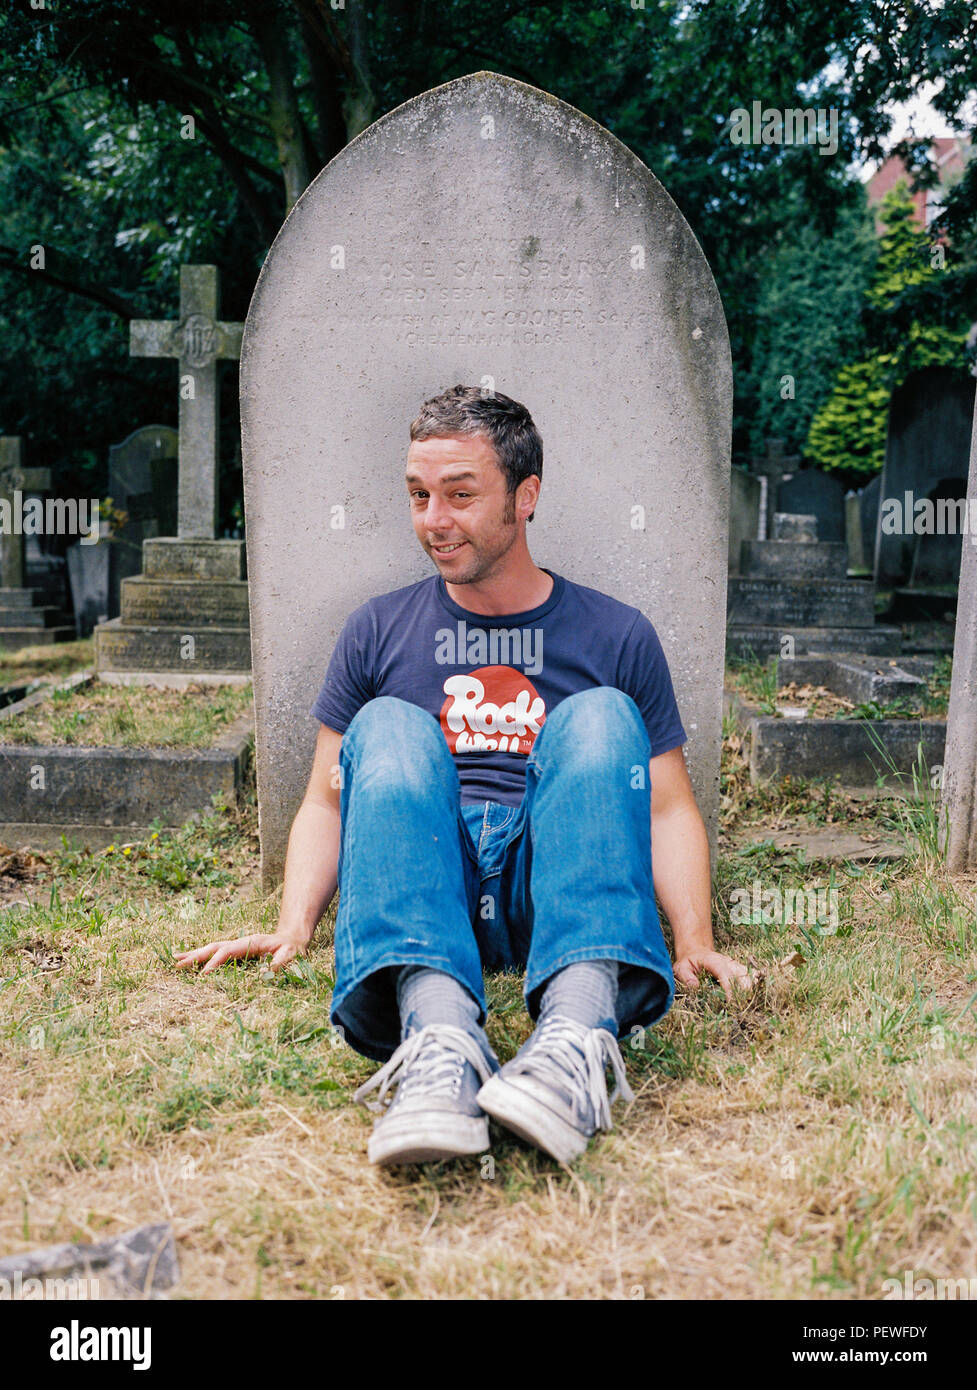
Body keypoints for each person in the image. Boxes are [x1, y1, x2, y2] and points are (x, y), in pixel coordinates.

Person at [175, 385, 751, 1167]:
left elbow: (667, 809)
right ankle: (440, 1044)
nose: (432, 521)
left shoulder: (615, 632)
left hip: (551, 882)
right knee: (383, 725)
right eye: (418, 496)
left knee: (601, 714)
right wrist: (294, 922)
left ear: (525, 496)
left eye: (459, 494)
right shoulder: (377, 629)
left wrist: (694, 938)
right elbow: (324, 798)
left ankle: (574, 1041)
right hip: (427, 883)